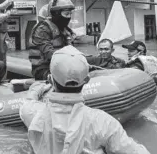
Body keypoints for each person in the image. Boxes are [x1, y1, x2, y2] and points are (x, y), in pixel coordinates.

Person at [20, 45, 150, 154]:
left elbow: (28, 102)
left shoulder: (33, 113)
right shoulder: (103, 122)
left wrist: (35, 90)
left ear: (50, 80)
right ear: (87, 80)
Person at [28, 0, 77, 80]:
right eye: (66, 14)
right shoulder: (42, 29)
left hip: (64, 65)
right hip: (43, 69)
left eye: (70, 14)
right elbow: (50, 54)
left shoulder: (64, 29)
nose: (68, 17)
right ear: (56, 14)